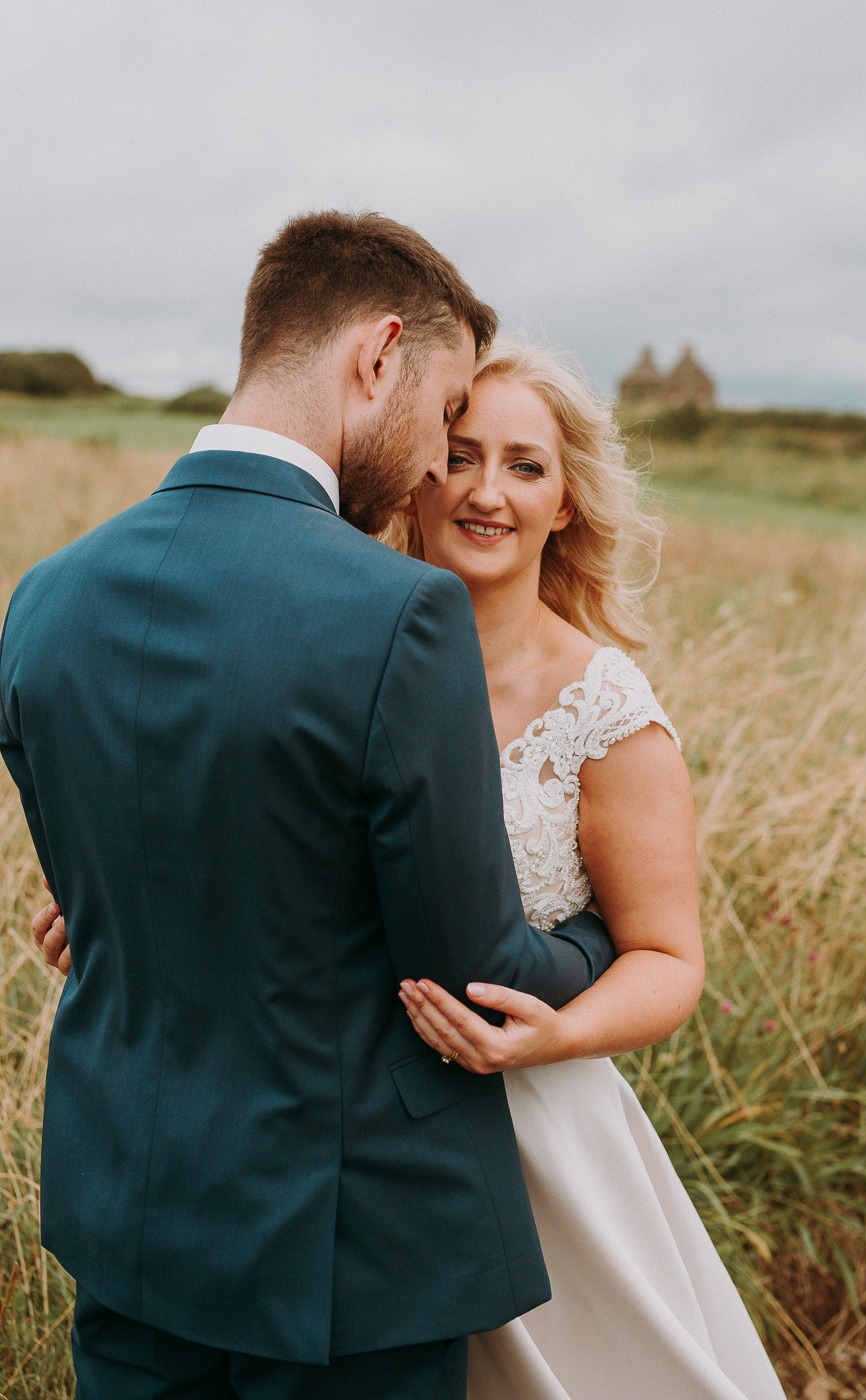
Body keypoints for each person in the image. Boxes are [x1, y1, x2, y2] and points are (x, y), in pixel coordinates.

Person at [0, 212, 620, 1400]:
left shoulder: (46, 598)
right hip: (346, 1256)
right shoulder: (399, 614)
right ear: (378, 355)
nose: (442, 469)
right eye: (444, 417)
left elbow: (98, 899)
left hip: (126, 1225)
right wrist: (593, 932)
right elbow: (467, 960)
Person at [386, 339, 787, 1398]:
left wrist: (559, 1033)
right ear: (418, 474)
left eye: (525, 466)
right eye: (461, 455)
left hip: (542, 1143)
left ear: (565, 503)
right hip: (361, 1128)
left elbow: (666, 955)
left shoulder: (605, 710)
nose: (485, 491)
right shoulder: (342, 656)